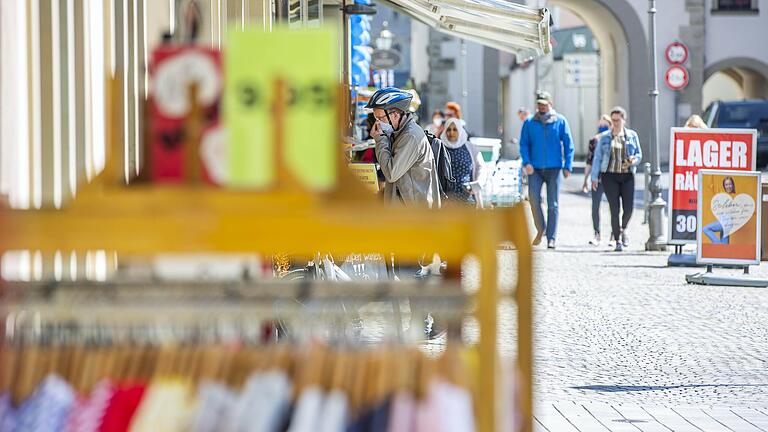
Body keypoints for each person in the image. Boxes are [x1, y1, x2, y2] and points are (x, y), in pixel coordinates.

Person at [367, 87, 441, 208]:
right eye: (376, 119)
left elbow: (391, 173)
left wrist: (380, 140)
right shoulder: (398, 133)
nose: (378, 123)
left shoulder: (410, 136)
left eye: (380, 118)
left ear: (395, 115)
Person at [519, 90, 574, 249]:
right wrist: (526, 162)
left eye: (544, 104)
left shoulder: (560, 121)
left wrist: (567, 165)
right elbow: (524, 144)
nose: (541, 107)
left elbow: (568, 144)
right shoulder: (529, 122)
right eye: (539, 104)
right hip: (534, 168)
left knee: (553, 204)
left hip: (554, 168)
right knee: (533, 199)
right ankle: (541, 228)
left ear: (550, 104)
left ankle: (551, 237)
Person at [591, 106, 643, 252]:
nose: (615, 123)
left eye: (617, 120)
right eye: (613, 120)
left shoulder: (631, 136)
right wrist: (594, 177)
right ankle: (617, 239)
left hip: (627, 175)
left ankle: (623, 228)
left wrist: (634, 160)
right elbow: (598, 158)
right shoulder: (605, 137)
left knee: (629, 208)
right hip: (609, 176)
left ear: (623, 120)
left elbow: (639, 154)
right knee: (614, 208)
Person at [440, 118, 485, 204]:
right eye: (449, 129)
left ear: (460, 131)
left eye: (455, 129)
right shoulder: (440, 147)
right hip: (446, 202)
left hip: (468, 199)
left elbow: (481, 167)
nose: (451, 133)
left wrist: (478, 183)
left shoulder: (470, 147)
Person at [583, 114, 612, 246]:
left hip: (612, 177)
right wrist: (585, 180)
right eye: (600, 125)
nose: (602, 127)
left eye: (605, 125)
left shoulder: (614, 139)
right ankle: (597, 233)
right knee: (595, 206)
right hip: (597, 178)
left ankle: (615, 234)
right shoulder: (593, 141)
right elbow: (589, 161)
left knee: (614, 207)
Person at [703, 176, 736, 244]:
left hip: (727, 222)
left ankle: (719, 246)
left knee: (706, 229)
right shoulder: (723, 195)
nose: (728, 186)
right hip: (724, 222)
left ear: (733, 185)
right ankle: (722, 249)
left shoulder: (735, 196)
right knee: (724, 247)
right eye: (726, 185)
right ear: (724, 186)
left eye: (730, 184)